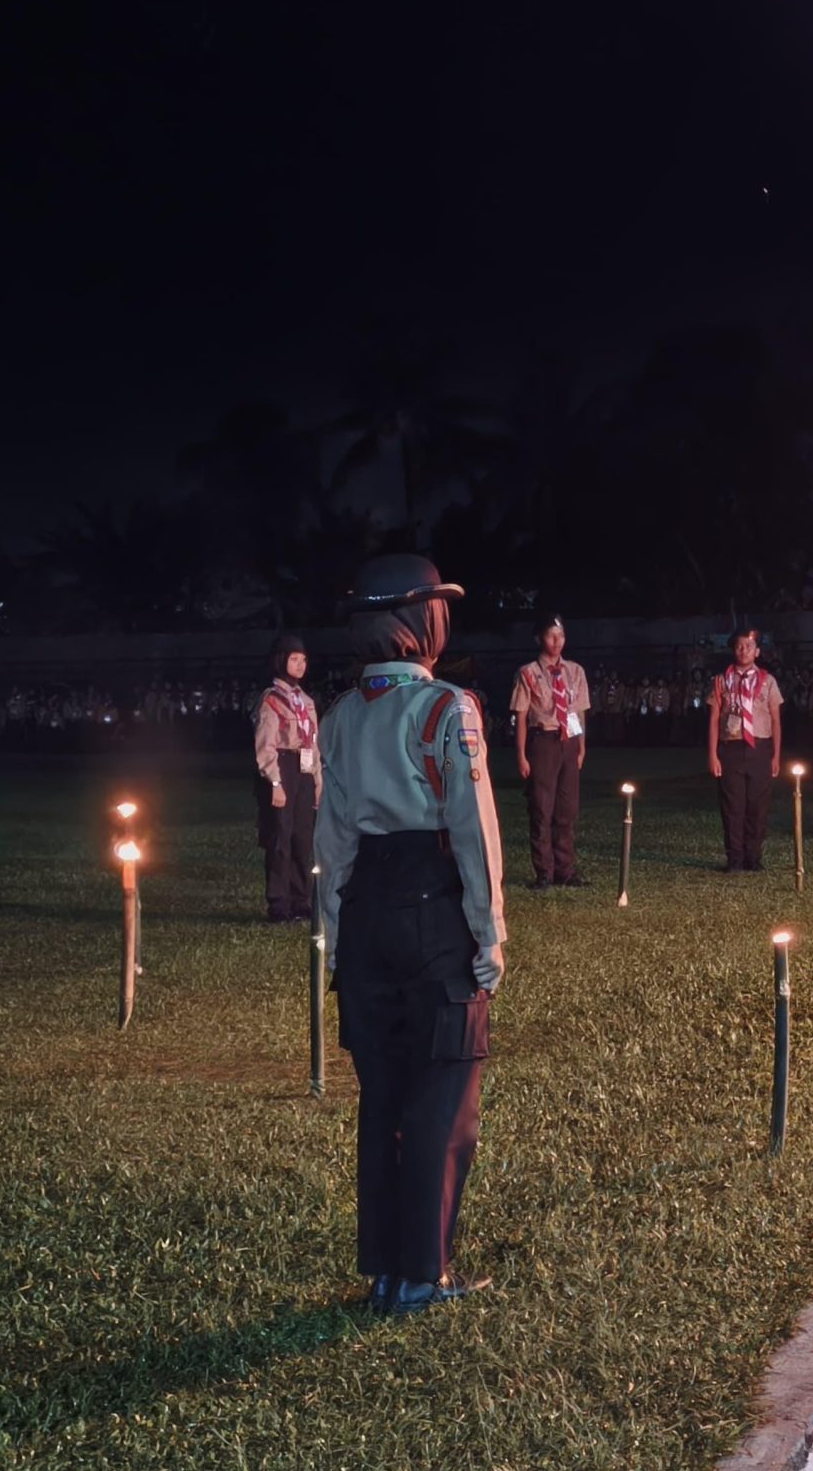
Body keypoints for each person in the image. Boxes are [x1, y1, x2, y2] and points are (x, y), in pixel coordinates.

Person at [317, 554, 506, 1317]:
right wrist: (488, 936)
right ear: (418, 619)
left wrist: (335, 933)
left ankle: (386, 1271)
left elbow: (330, 842)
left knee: (384, 1096)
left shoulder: (338, 715)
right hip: (433, 908)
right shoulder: (445, 709)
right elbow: (474, 831)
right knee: (444, 1096)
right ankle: (424, 1275)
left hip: (365, 912)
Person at [511, 616, 592, 888]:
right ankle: (544, 872)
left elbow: (579, 711)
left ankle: (565, 870)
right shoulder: (528, 673)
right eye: (551, 636)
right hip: (543, 741)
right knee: (542, 808)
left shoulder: (575, 671)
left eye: (561, 636)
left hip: (568, 741)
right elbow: (521, 716)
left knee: (567, 809)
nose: (557, 642)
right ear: (539, 639)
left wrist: (581, 746)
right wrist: (521, 755)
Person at [253, 632, 321, 922]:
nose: (300, 665)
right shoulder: (272, 700)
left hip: (304, 771)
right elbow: (265, 743)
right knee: (280, 838)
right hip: (281, 769)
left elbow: (314, 743)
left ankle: (301, 901)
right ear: (281, 661)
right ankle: (278, 904)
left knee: (302, 839)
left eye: (303, 659)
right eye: (294, 659)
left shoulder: (305, 701)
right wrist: (275, 782)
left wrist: (318, 782)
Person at [707, 627, 784, 872]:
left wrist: (776, 755)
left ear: (757, 651)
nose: (744, 650)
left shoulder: (768, 681)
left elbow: (775, 720)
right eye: (739, 646)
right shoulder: (721, 680)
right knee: (733, 807)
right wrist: (713, 755)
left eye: (749, 647)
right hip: (731, 748)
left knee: (758, 806)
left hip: (760, 747)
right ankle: (735, 860)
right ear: (733, 650)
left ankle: (754, 858)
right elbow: (714, 718)